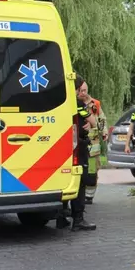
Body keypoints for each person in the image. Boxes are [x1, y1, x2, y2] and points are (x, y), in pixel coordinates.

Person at [56, 75, 97, 231]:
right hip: (77, 147)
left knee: (63, 180)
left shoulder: (59, 101)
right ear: (77, 88)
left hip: (59, 147)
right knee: (79, 182)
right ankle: (78, 219)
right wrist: (89, 123)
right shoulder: (76, 104)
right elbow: (93, 122)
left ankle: (61, 217)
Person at [76, 82, 107, 204]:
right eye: (81, 91)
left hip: (93, 141)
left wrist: (103, 131)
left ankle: (89, 196)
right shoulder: (74, 103)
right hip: (79, 140)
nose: (83, 93)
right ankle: (80, 195)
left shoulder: (95, 104)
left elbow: (102, 119)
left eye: (85, 91)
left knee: (93, 169)